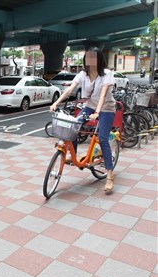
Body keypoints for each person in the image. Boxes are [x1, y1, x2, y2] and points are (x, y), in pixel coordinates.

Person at [50, 46, 116, 192]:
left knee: (103, 139)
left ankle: (110, 176)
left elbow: (104, 94)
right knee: (72, 126)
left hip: (106, 108)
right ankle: (72, 155)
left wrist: (98, 112)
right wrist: (55, 103)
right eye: (87, 58)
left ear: (99, 60)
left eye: (93, 58)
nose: (90, 61)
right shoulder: (82, 74)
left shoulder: (107, 74)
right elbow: (69, 90)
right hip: (90, 107)